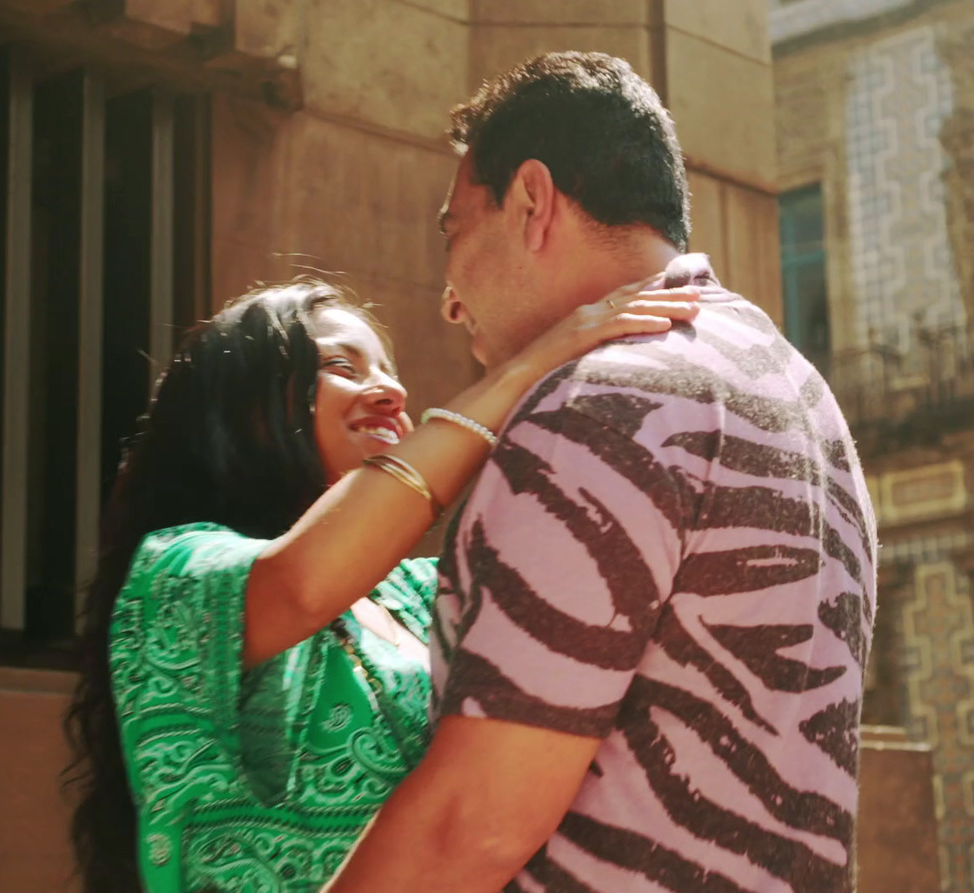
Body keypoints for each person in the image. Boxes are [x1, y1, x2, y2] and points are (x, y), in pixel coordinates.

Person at [324, 52, 877, 893]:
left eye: (455, 229)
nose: (448, 297)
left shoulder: (604, 405)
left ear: (534, 202)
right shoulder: (800, 392)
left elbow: (469, 826)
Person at [62, 276, 702, 892]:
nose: (391, 391)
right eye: (344, 368)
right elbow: (300, 585)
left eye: (387, 368)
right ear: (244, 411)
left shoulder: (425, 592)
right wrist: (523, 369)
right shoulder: (176, 572)